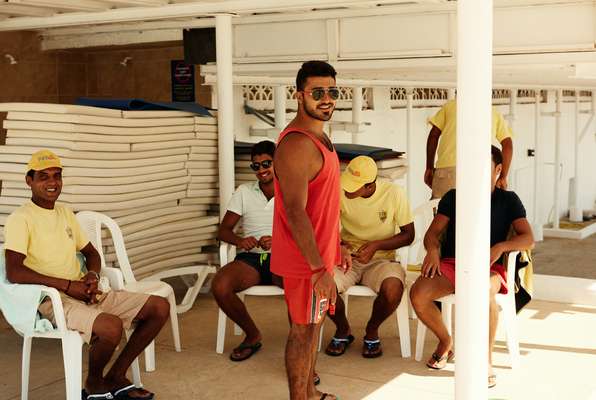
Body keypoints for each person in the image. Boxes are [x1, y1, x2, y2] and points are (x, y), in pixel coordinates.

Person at [4, 150, 170, 400]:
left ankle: (115, 375)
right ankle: (94, 383)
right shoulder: (21, 218)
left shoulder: (65, 214)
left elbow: (92, 253)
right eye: (43, 177)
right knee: (111, 327)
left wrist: (91, 275)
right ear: (29, 181)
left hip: (84, 290)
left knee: (159, 307)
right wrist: (68, 286)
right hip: (53, 299)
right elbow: (14, 271)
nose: (52, 183)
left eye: (57, 176)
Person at [409, 145, 534, 388]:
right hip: (453, 264)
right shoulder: (454, 196)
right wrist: (433, 251)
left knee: (483, 290)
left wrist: (499, 248)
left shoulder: (508, 200)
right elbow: (432, 233)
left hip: (491, 270)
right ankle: (446, 342)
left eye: (483, 167)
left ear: (498, 170)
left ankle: (485, 361)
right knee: (418, 294)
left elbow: (527, 238)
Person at [271, 60, 350, 400]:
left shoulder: (320, 137)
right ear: (299, 95)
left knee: (313, 329)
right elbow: (294, 211)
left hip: (320, 258)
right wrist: (319, 268)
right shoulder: (297, 145)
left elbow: (325, 205)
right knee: (302, 332)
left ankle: (309, 395)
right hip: (306, 264)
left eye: (332, 91)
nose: (327, 99)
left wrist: (338, 245)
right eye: (317, 92)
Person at [325, 156, 414, 358]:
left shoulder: (394, 193)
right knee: (323, 287)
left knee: (393, 289)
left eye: (354, 186)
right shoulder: (339, 190)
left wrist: (376, 245)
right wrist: (340, 247)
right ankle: (342, 329)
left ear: (369, 186)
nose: (347, 190)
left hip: (382, 259)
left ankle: (372, 330)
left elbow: (409, 235)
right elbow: (325, 228)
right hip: (348, 258)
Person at [212, 140, 281, 362]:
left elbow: (309, 231)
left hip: (283, 257)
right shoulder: (244, 191)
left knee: (301, 288)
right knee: (220, 285)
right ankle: (252, 335)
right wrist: (241, 241)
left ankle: (299, 343)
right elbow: (223, 231)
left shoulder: (293, 190)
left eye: (266, 163)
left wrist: (280, 242)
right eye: (256, 166)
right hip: (250, 259)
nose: (261, 170)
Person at [424, 99, 513, 198]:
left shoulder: (450, 106)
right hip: (479, 172)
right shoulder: (492, 111)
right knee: (477, 212)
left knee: (441, 209)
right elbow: (508, 145)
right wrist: (503, 176)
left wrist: (429, 167)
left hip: (447, 170)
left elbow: (433, 136)